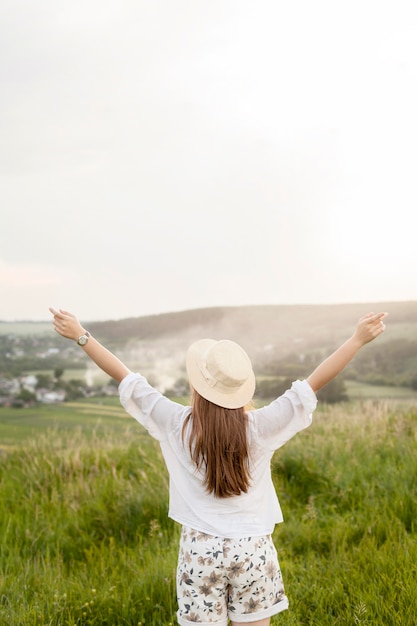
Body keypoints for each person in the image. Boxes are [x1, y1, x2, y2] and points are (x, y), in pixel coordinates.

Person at [49, 306, 387, 626]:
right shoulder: (261, 426)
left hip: (200, 552)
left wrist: (81, 335)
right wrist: (357, 338)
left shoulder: (174, 422)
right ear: (240, 389)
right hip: (253, 549)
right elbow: (312, 383)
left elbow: (125, 377)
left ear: (197, 384)